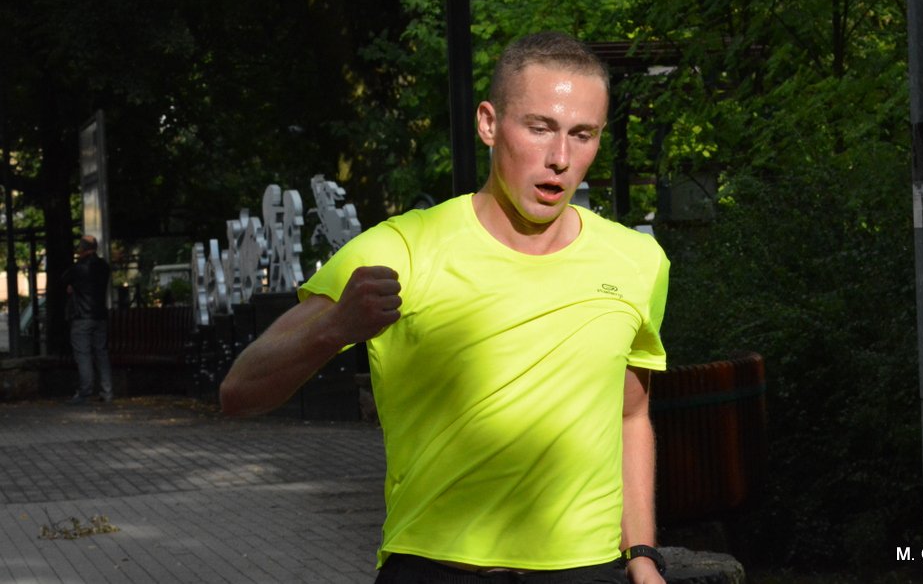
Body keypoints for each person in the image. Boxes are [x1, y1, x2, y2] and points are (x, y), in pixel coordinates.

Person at [220, 32, 670, 584]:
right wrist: (335, 326)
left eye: (582, 135)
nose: (560, 158)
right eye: (539, 128)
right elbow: (239, 392)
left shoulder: (637, 261)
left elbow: (630, 415)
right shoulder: (403, 248)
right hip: (434, 568)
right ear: (488, 124)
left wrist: (642, 553)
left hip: (585, 572)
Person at [63, 235, 113, 404]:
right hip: (100, 316)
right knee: (101, 354)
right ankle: (107, 392)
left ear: (82, 249)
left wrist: (73, 286)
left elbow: (64, 279)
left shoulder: (78, 268)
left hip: (81, 317)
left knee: (83, 355)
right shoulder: (104, 266)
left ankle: (85, 392)